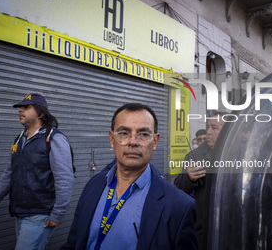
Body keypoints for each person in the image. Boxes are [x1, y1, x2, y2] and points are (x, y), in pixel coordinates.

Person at [61, 103, 198, 250]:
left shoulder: (179, 206)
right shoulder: (93, 185)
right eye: (124, 133)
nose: (133, 142)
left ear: (155, 142)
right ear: (112, 139)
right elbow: (73, 243)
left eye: (144, 134)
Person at [0, 93, 74, 250]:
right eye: (19, 107)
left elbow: (64, 178)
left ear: (41, 113)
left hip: (40, 214)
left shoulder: (53, 138)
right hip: (20, 213)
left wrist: (58, 214)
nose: (20, 110)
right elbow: (8, 175)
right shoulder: (19, 140)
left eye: (26, 107)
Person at [174, 111, 225, 250]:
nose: (208, 132)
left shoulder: (240, 154)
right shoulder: (194, 156)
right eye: (208, 127)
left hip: (229, 227)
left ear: (227, 131)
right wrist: (189, 178)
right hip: (202, 230)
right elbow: (178, 187)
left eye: (214, 128)